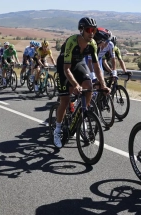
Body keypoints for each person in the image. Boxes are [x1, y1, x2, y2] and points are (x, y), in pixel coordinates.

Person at [53, 17, 110, 148]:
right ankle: (57, 130)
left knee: (89, 86)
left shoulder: (93, 44)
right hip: (64, 65)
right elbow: (66, 69)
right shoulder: (72, 42)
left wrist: (103, 85)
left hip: (78, 63)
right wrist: (76, 85)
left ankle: (82, 112)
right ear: (81, 30)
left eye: (94, 30)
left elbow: (96, 67)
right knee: (65, 100)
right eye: (89, 30)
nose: (91, 33)